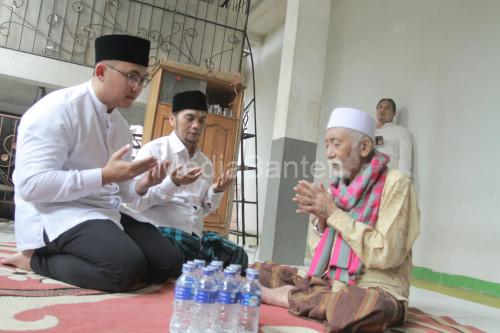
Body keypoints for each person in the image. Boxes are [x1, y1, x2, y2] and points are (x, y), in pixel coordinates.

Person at [1, 34, 183, 292]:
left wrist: (142, 183)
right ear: (100, 72)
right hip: (55, 213)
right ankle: (36, 261)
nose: (137, 87)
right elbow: (31, 186)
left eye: (143, 79)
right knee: (125, 269)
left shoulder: (120, 125)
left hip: (103, 211)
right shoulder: (56, 110)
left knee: (169, 262)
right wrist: (104, 176)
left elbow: (123, 191)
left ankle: (106, 249)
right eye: (131, 76)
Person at [258, 107, 420, 332]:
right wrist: (321, 221)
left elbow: (386, 254)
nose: (329, 153)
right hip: (330, 282)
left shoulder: (396, 185)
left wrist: (334, 214)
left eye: (336, 144)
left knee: (357, 308)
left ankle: (284, 297)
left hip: (376, 287)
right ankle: (305, 296)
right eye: (327, 145)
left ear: (364, 147)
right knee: (259, 270)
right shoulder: (339, 189)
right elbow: (319, 256)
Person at [121, 90, 248, 269]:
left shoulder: (205, 163)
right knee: (175, 257)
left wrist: (217, 190)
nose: (196, 125)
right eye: (190, 118)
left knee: (237, 256)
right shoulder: (154, 152)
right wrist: (172, 184)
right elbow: (135, 204)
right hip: (160, 233)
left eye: (202, 120)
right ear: (172, 119)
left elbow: (201, 211)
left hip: (193, 237)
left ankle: (194, 265)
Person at [374, 98, 413, 177]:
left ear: (394, 113)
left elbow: (405, 160)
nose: (382, 110)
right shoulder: (368, 132)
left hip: (389, 181)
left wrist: (400, 180)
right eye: (380, 107)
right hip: (367, 182)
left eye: (387, 108)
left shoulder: (401, 131)